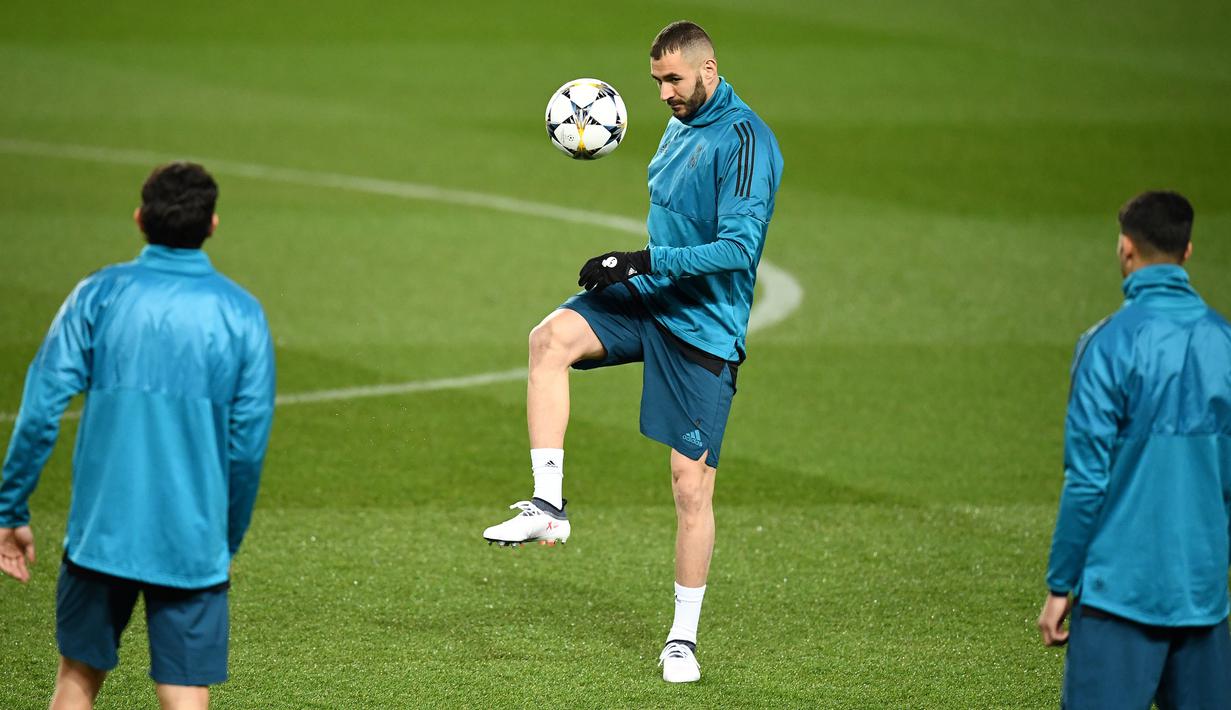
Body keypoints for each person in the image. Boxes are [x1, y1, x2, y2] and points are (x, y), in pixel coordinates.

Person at [481, 20, 783, 683]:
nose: (664, 95)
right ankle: (548, 507)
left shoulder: (746, 142)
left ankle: (681, 639)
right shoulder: (680, 126)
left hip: (701, 326)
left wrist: (640, 259)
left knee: (689, 488)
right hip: (651, 298)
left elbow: (736, 248)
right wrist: (636, 270)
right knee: (549, 339)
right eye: (656, 83)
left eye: (674, 80)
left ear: (709, 70)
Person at [0, 162, 276, 710]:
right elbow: (246, 448)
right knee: (183, 690)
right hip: (193, 540)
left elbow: (40, 411)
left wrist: (10, 508)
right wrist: (225, 539)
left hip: (102, 534)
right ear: (213, 224)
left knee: (76, 679)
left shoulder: (98, 296)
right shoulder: (242, 315)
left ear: (139, 218)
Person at [1038, 191, 1231, 708]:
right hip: (1203, 600)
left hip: (1118, 600)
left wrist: (1061, 584)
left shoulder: (1106, 345)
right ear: (1187, 252)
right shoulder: (1226, 344)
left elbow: (1086, 480)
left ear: (1126, 249)